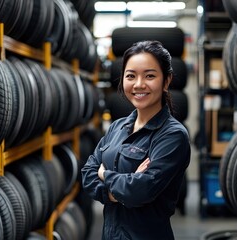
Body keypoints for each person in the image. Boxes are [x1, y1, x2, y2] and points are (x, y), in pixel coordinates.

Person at [81, 40, 191, 240]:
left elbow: (142, 189)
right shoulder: (117, 127)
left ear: (166, 81)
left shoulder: (173, 135)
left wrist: (105, 174)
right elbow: (88, 174)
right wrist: (118, 192)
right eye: (131, 76)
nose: (139, 84)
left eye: (149, 76)